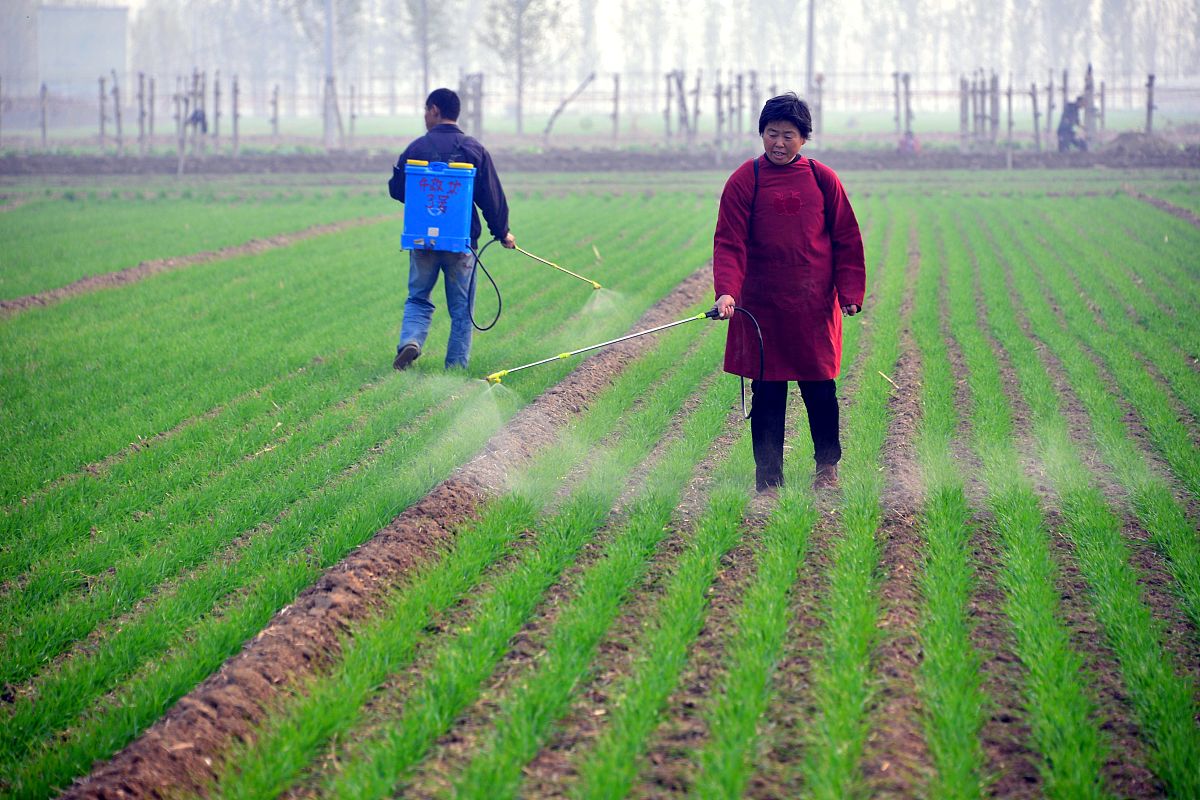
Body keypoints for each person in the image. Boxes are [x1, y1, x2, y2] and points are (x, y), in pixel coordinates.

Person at [712, 92, 866, 493]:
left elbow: (846, 238)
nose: (778, 143)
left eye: (788, 135)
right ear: (761, 134)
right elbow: (729, 243)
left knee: (819, 387)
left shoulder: (822, 179)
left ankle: (827, 469)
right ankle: (768, 480)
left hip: (813, 304)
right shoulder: (746, 180)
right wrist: (727, 292)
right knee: (767, 391)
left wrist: (850, 291)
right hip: (762, 306)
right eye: (771, 134)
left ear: (804, 139)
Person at [388, 87, 516, 371]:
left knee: (418, 298)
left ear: (435, 110)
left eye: (425, 110)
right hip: (461, 243)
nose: (424, 116)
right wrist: (502, 232)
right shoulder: (474, 149)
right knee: (461, 311)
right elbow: (491, 197)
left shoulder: (416, 149)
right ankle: (455, 369)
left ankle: (411, 341)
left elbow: (397, 190)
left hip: (423, 241)